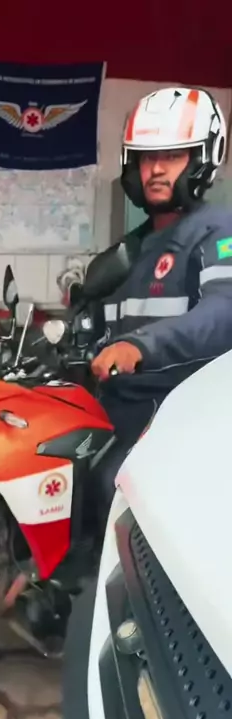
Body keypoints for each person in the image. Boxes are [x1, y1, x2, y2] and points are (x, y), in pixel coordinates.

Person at [87, 86, 232, 531]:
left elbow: (223, 312)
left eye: (172, 156)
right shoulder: (132, 247)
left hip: (176, 411)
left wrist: (139, 346)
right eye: (147, 158)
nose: (155, 169)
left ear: (203, 158)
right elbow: (98, 322)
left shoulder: (218, 230)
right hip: (117, 404)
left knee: (112, 485)